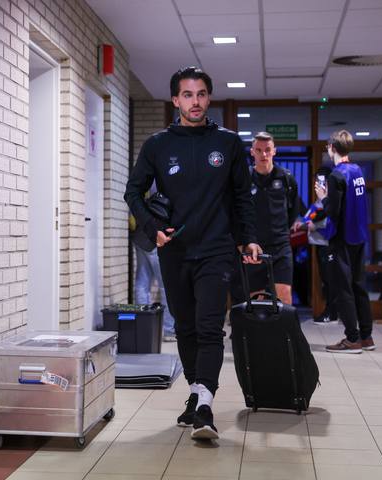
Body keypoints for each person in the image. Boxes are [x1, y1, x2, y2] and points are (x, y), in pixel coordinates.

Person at [124, 66, 262, 440]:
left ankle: (204, 406)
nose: (195, 101)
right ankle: (196, 392)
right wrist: (152, 228)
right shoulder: (158, 145)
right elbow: (133, 192)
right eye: (187, 95)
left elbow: (242, 197)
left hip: (217, 249)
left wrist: (249, 238)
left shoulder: (227, 143)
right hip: (175, 250)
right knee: (185, 327)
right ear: (176, 100)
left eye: (201, 94)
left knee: (209, 327)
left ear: (208, 97)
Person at [314, 130, 374, 353]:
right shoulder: (357, 171)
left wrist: (323, 198)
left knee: (343, 289)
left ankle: (352, 339)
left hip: (342, 238)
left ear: (332, 147)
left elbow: (333, 211)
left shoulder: (336, 175)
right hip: (359, 236)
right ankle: (366, 336)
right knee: (359, 287)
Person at [232, 132, 298, 305]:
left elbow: (292, 212)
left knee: (284, 296)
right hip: (254, 247)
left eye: (268, 150)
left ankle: (283, 325)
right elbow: (235, 214)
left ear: (274, 151)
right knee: (256, 299)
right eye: (259, 150)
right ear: (252, 152)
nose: (264, 154)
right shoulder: (243, 180)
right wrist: (242, 243)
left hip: (281, 247)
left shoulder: (286, 178)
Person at [297, 162, 339, 324]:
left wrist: (313, 225)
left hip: (328, 244)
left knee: (331, 280)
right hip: (319, 244)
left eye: (320, 181)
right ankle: (330, 311)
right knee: (326, 279)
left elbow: (331, 221)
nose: (317, 184)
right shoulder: (319, 201)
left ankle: (332, 313)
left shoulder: (332, 200)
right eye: (316, 181)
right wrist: (302, 223)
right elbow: (309, 217)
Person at [134, 245, 176, 341]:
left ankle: (144, 328)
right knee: (166, 285)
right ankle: (168, 330)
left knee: (142, 284)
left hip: (140, 241)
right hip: (156, 243)